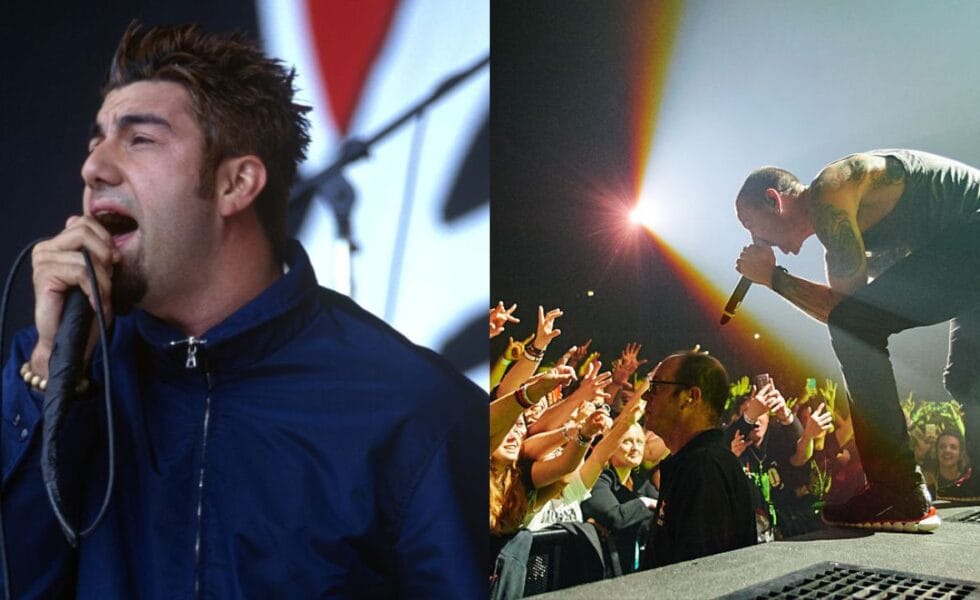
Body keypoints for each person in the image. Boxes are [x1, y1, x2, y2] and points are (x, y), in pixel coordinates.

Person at [0, 22, 486, 597]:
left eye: (139, 139)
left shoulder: (416, 408)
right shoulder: (58, 369)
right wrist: (52, 377)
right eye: (95, 143)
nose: (94, 169)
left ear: (236, 184)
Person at [734, 149, 980, 529]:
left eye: (751, 224)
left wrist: (775, 279)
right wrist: (775, 279)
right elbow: (845, 311)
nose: (754, 238)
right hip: (965, 248)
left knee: (856, 324)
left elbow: (849, 320)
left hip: (972, 232)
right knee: (966, 378)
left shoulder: (832, 192)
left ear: (773, 200)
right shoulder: (841, 231)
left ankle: (899, 491)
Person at [641, 351, 755, 569]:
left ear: (690, 397)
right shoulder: (694, 462)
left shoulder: (704, 469)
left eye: (656, 387)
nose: (646, 396)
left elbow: (698, 578)